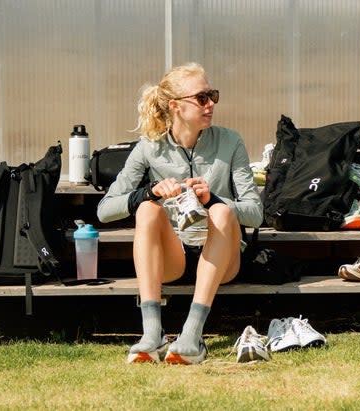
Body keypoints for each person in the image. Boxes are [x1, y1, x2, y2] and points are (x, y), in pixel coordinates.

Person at [97, 62, 263, 364]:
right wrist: (150, 192)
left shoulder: (230, 141)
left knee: (223, 213)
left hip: (222, 258)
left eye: (213, 95)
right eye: (202, 98)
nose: (211, 104)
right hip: (173, 257)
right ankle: (152, 335)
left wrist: (213, 199)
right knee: (147, 210)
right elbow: (104, 210)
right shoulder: (150, 147)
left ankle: (192, 335)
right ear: (175, 106)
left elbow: (255, 213)